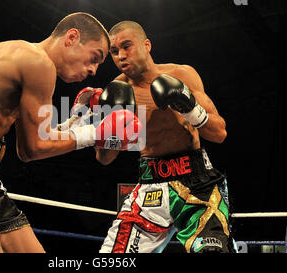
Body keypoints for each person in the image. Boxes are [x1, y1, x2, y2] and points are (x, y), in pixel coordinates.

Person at [0, 12, 140, 253]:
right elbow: (33, 149)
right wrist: (95, 133)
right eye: (94, 57)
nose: (93, 70)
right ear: (72, 37)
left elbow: (34, 139)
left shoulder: (23, 55)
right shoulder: (39, 64)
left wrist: (78, 120)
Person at [94, 21, 235, 253]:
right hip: (149, 188)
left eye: (127, 46)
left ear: (147, 45)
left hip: (198, 185)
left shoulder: (181, 75)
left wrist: (189, 107)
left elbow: (220, 133)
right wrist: (112, 131)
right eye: (114, 51)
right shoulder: (117, 90)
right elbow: (104, 158)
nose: (120, 56)